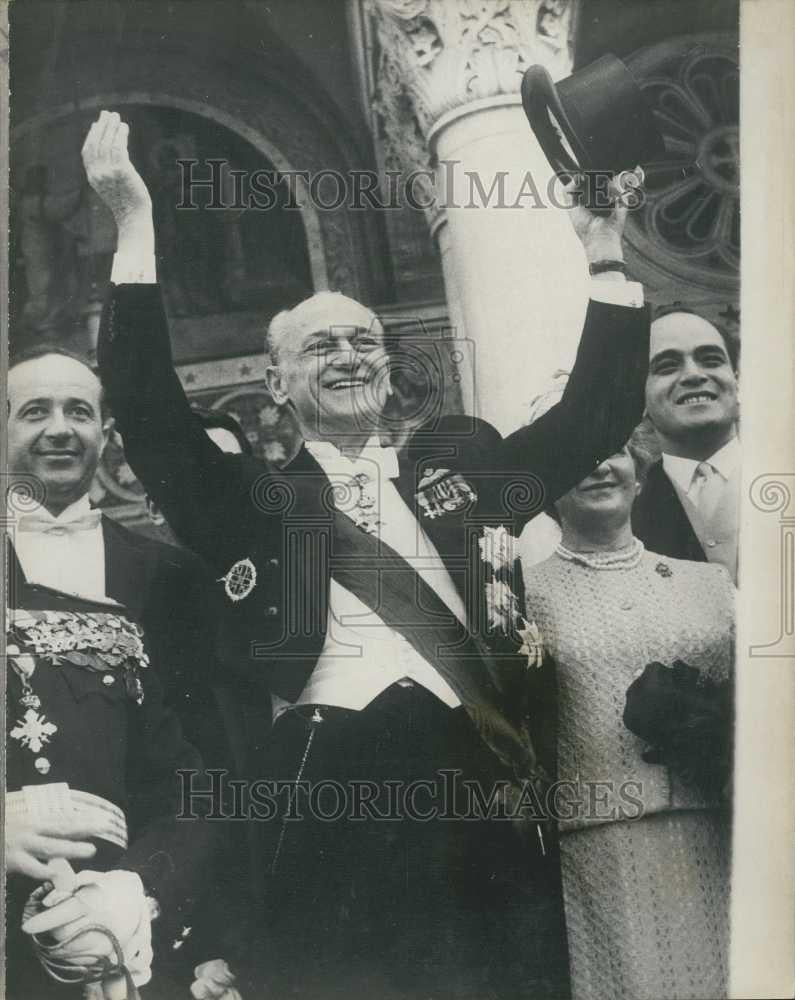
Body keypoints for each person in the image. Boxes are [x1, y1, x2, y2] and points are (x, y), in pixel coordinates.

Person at [85, 108, 650, 998]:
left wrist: (606, 249)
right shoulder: (248, 503)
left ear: (389, 366)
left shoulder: (461, 467)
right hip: (325, 785)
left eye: (364, 341)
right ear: (275, 383)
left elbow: (595, 416)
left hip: (481, 776)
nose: (348, 356)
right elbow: (150, 412)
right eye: (320, 346)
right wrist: (133, 224)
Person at [5, 347, 220, 998]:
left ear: (108, 434)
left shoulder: (168, 576)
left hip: (127, 932)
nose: (61, 428)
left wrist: (142, 891)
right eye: (35, 411)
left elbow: (203, 771)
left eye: (79, 411)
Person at [523, 437, 735, 1000]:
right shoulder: (521, 597)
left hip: (718, 836)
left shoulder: (709, 585)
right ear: (548, 490)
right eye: (578, 453)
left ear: (639, 474)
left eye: (613, 450)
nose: (598, 464)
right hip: (598, 850)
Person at [633, 305, 740, 582]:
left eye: (711, 360)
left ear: (737, 380)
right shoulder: (627, 508)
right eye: (667, 366)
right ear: (637, 398)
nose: (693, 374)